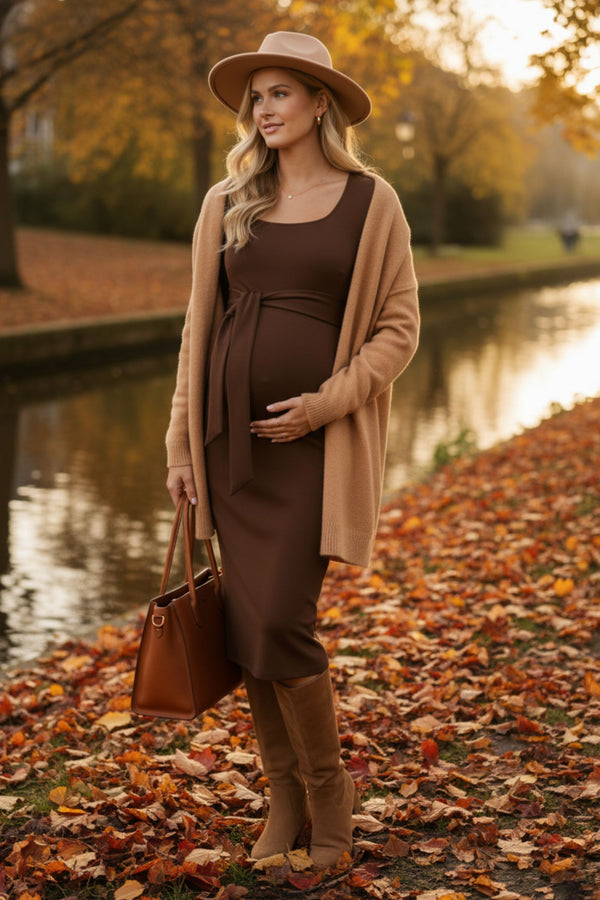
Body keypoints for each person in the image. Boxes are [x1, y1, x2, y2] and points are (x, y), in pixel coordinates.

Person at [165, 31, 419, 868]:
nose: (264, 110)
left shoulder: (371, 201)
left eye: (280, 94)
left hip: (312, 449)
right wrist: (179, 448)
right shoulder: (226, 200)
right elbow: (195, 335)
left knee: (280, 621)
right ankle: (284, 804)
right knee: (247, 629)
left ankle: (330, 800)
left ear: (320, 104)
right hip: (226, 447)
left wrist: (325, 406)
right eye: (257, 97)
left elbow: (398, 330)